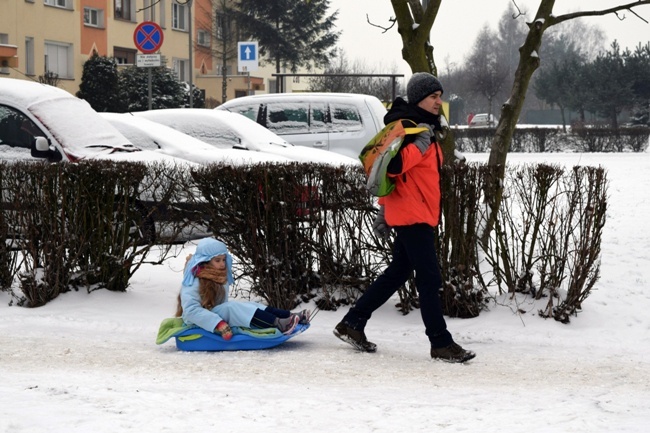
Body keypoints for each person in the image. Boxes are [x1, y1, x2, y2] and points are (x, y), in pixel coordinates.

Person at [333, 72, 476, 363]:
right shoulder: (412, 129)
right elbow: (395, 166)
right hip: (414, 216)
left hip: (416, 212)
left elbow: (402, 176)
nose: (439, 102)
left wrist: (385, 209)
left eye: (440, 96)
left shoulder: (421, 128)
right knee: (428, 277)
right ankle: (440, 342)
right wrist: (420, 143)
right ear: (419, 99)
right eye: (434, 97)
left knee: (398, 272)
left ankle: (352, 322)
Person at [175, 237, 310, 339]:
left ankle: (288, 316)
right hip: (198, 322)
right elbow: (191, 311)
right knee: (232, 308)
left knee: (249, 306)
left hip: (212, 315)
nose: (222, 264)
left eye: (223, 259)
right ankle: (278, 324)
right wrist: (218, 324)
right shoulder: (194, 280)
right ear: (205, 261)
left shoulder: (217, 276)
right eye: (217, 261)